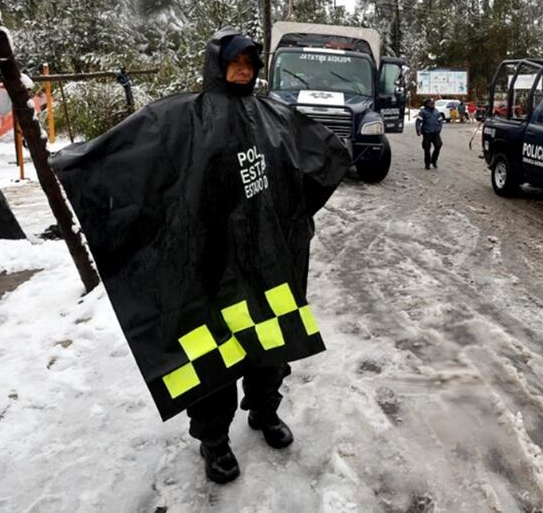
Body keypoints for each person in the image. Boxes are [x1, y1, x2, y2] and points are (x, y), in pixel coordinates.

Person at [51, 29, 350, 485]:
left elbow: (314, 160)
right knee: (212, 353)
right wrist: (78, 162)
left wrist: (297, 213)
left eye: (251, 61)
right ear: (216, 64)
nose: (244, 68)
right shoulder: (180, 118)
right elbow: (129, 153)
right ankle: (214, 440)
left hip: (265, 261)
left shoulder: (273, 115)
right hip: (207, 265)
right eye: (235, 61)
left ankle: (265, 410)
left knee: (268, 344)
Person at [415, 97, 443, 169]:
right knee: (427, 148)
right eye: (430, 103)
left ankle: (434, 161)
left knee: (438, 145)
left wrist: (439, 128)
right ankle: (427, 164)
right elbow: (418, 121)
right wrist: (418, 130)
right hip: (427, 133)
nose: (432, 105)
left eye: (433, 103)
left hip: (435, 133)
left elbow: (440, 120)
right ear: (427, 104)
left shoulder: (436, 111)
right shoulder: (423, 112)